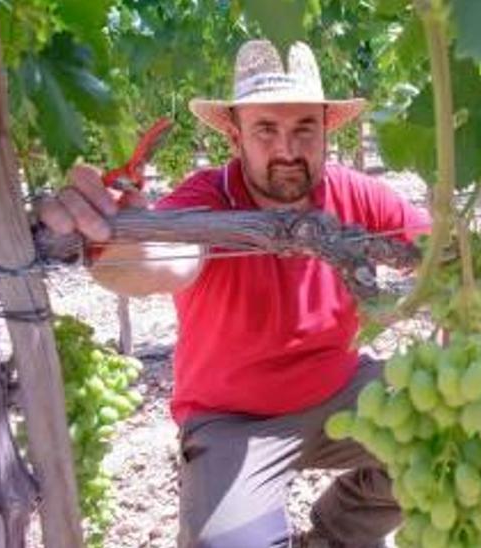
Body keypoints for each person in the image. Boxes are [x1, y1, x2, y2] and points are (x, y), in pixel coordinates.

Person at [37, 39, 428, 548]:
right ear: (234, 135)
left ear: (326, 129)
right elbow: (162, 262)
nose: (287, 149)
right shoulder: (205, 199)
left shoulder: (355, 192)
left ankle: (335, 537)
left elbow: (434, 248)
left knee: (453, 431)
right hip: (234, 421)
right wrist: (113, 242)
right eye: (266, 129)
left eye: (303, 128)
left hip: (341, 391)